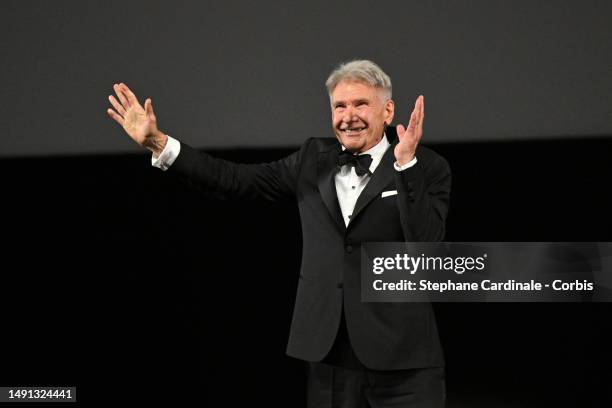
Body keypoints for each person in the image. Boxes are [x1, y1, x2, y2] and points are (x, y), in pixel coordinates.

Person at [107, 60, 451, 407]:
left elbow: (427, 245)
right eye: (339, 106)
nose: (349, 116)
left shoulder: (427, 166)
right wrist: (159, 143)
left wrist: (405, 166)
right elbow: (236, 181)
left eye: (361, 104)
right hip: (328, 355)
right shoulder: (312, 159)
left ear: (388, 110)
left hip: (403, 357)